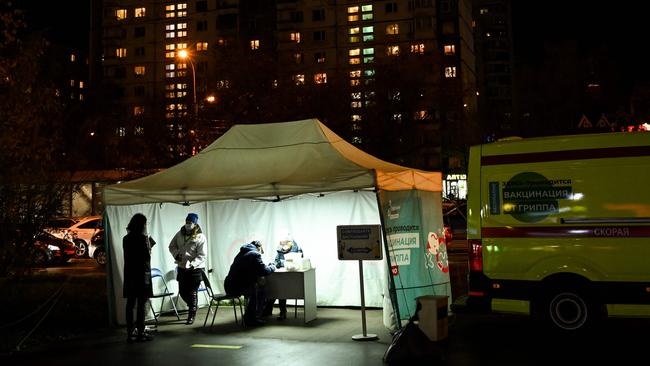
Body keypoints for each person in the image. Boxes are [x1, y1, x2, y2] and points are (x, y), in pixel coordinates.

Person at [224, 240, 276, 326]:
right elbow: (263, 271)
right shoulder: (254, 254)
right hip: (237, 287)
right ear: (258, 247)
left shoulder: (242, 253)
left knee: (255, 287)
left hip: (229, 285)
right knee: (261, 290)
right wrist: (273, 266)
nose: (260, 252)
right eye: (261, 250)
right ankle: (253, 318)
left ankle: (251, 315)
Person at [122, 213, 156, 343]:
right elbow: (146, 258)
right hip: (142, 276)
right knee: (141, 304)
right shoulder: (143, 239)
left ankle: (130, 332)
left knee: (130, 304)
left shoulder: (126, 238)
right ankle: (141, 332)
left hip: (130, 275)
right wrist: (148, 244)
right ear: (142, 224)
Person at [168, 213, 207, 325]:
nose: (188, 224)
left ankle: (192, 314)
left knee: (192, 292)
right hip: (181, 267)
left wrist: (193, 264)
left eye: (190, 223)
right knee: (183, 292)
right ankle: (193, 307)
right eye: (187, 222)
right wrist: (176, 255)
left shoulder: (200, 237)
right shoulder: (180, 234)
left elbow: (202, 255)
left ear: (195, 224)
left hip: (195, 269)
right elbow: (171, 246)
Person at [263, 238, 303, 320]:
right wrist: (280, 263)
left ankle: (282, 311)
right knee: (274, 286)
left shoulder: (297, 250)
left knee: (281, 288)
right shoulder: (280, 250)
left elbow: (298, 262)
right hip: (282, 274)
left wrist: (283, 262)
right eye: (281, 244)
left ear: (290, 243)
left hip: (293, 277)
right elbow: (276, 261)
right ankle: (269, 310)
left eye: (284, 244)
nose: (283, 247)